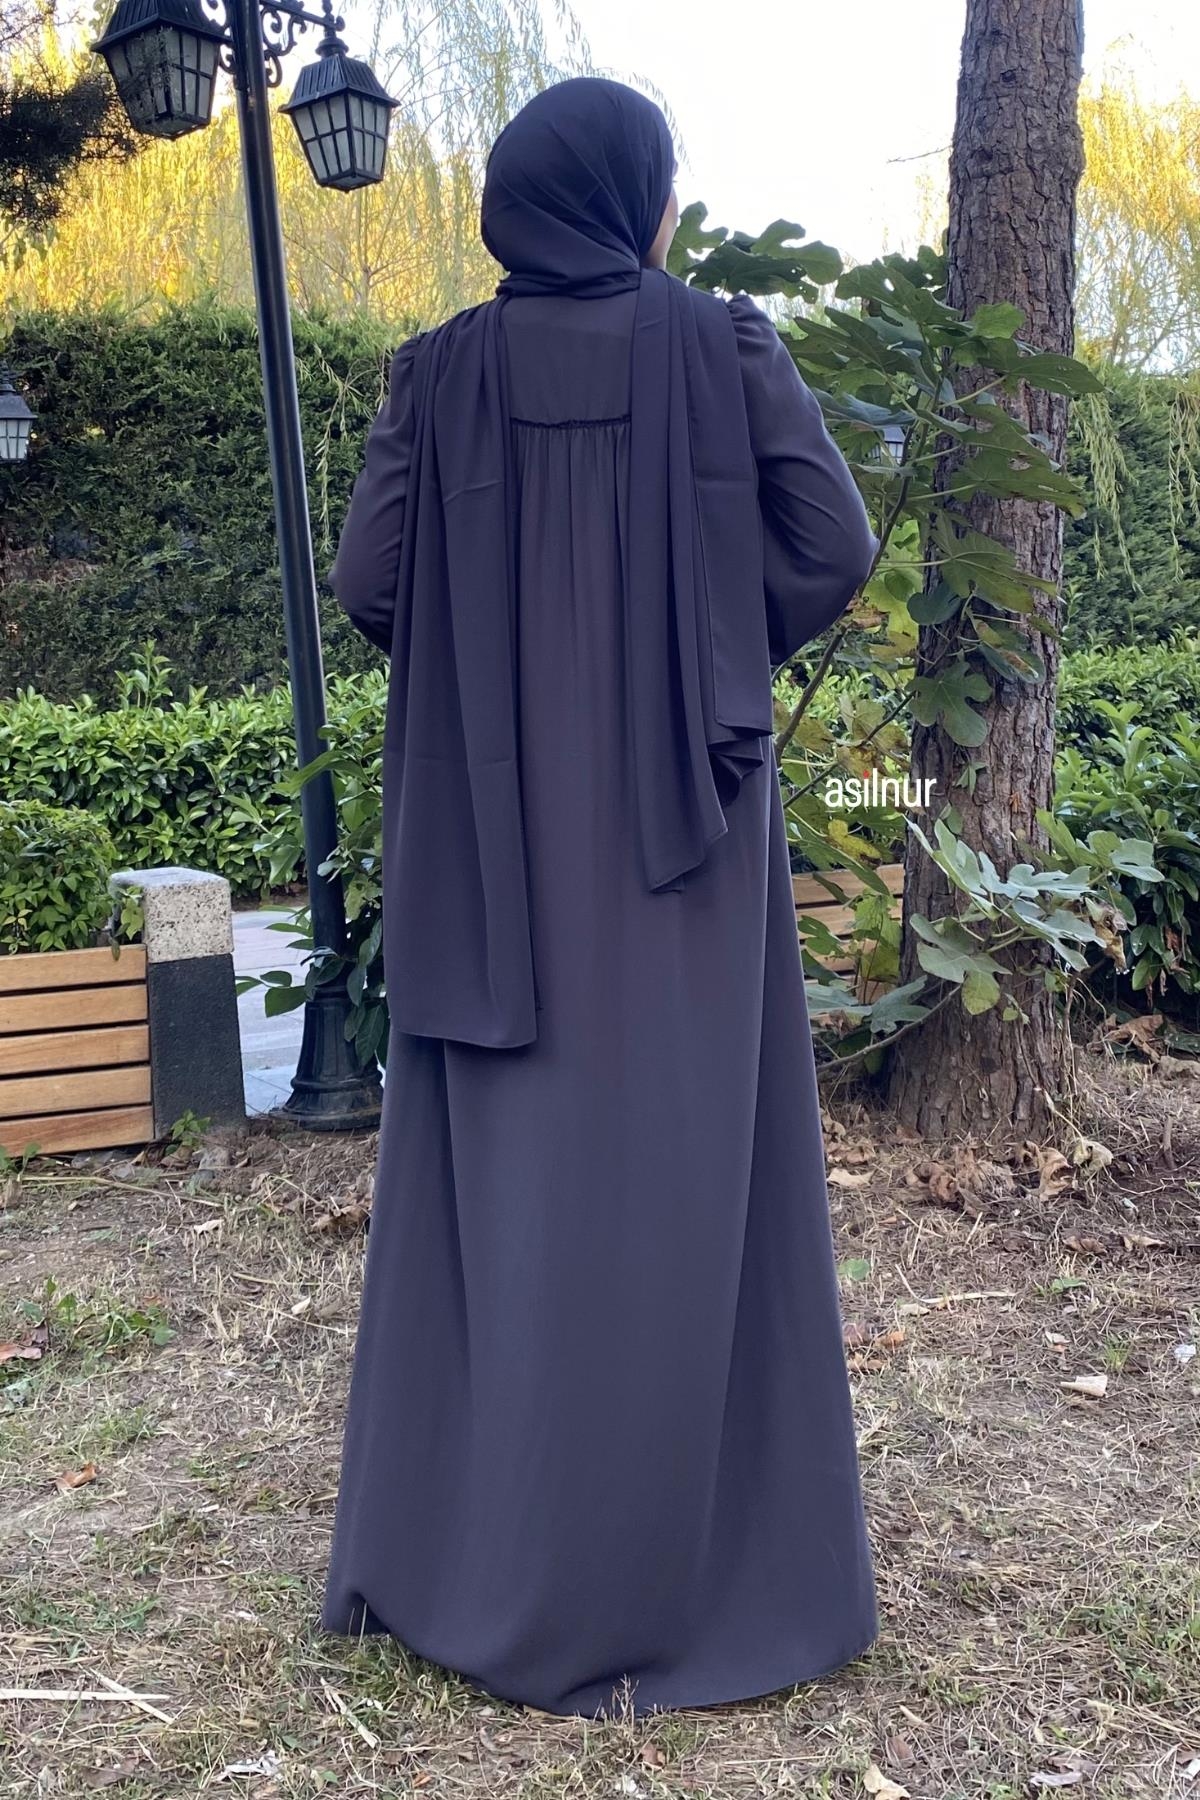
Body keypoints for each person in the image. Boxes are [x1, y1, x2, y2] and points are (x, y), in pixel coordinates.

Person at [322, 74, 879, 1718]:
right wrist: (699, 636)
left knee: (503, 1187)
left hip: (491, 847)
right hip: (682, 850)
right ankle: (720, 1575)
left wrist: (496, 639)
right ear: (636, 199)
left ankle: (481, 1561)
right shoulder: (725, 347)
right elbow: (832, 545)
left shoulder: (437, 374)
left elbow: (369, 582)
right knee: (700, 1182)